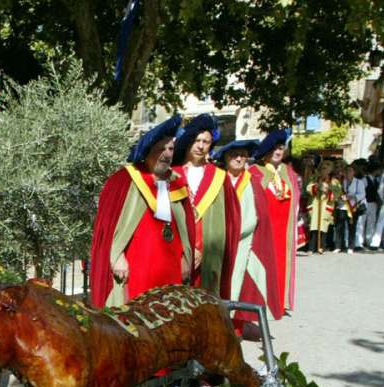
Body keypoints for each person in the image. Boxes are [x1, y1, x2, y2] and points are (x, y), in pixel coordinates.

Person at [90, 114, 192, 308]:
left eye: (170, 149)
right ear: (148, 151)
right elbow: (108, 227)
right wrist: (116, 256)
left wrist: (186, 258)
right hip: (137, 265)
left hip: (170, 267)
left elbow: (185, 230)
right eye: (161, 149)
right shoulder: (125, 180)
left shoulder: (177, 183)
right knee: (137, 315)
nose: (167, 154)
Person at [212, 139, 282, 331]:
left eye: (243, 155)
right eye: (234, 155)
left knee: (241, 284)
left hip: (244, 241)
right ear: (225, 158)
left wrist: (237, 231)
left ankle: (236, 327)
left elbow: (258, 215)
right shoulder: (217, 179)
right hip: (218, 240)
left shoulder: (252, 182)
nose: (239, 159)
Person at [171, 113, 239, 296]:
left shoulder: (219, 177)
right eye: (197, 140)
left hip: (207, 254)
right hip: (175, 252)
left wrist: (203, 249)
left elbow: (226, 222)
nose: (201, 146)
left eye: (206, 142)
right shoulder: (172, 174)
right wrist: (183, 251)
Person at [249, 129, 300, 311]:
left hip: (284, 229)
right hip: (264, 228)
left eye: (281, 148)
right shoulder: (255, 171)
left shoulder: (288, 171)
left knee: (281, 262)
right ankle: (263, 300)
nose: (278, 152)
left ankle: (281, 301)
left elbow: (296, 198)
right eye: (275, 148)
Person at [304, 161, 338, 254]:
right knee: (313, 226)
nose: (324, 170)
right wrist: (317, 186)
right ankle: (311, 248)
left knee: (323, 227)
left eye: (327, 168)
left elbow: (337, 193)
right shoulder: (314, 178)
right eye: (323, 168)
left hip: (325, 205)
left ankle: (322, 246)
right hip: (315, 204)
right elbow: (308, 188)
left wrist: (328, 191)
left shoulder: (334, 181)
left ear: (330, 170)